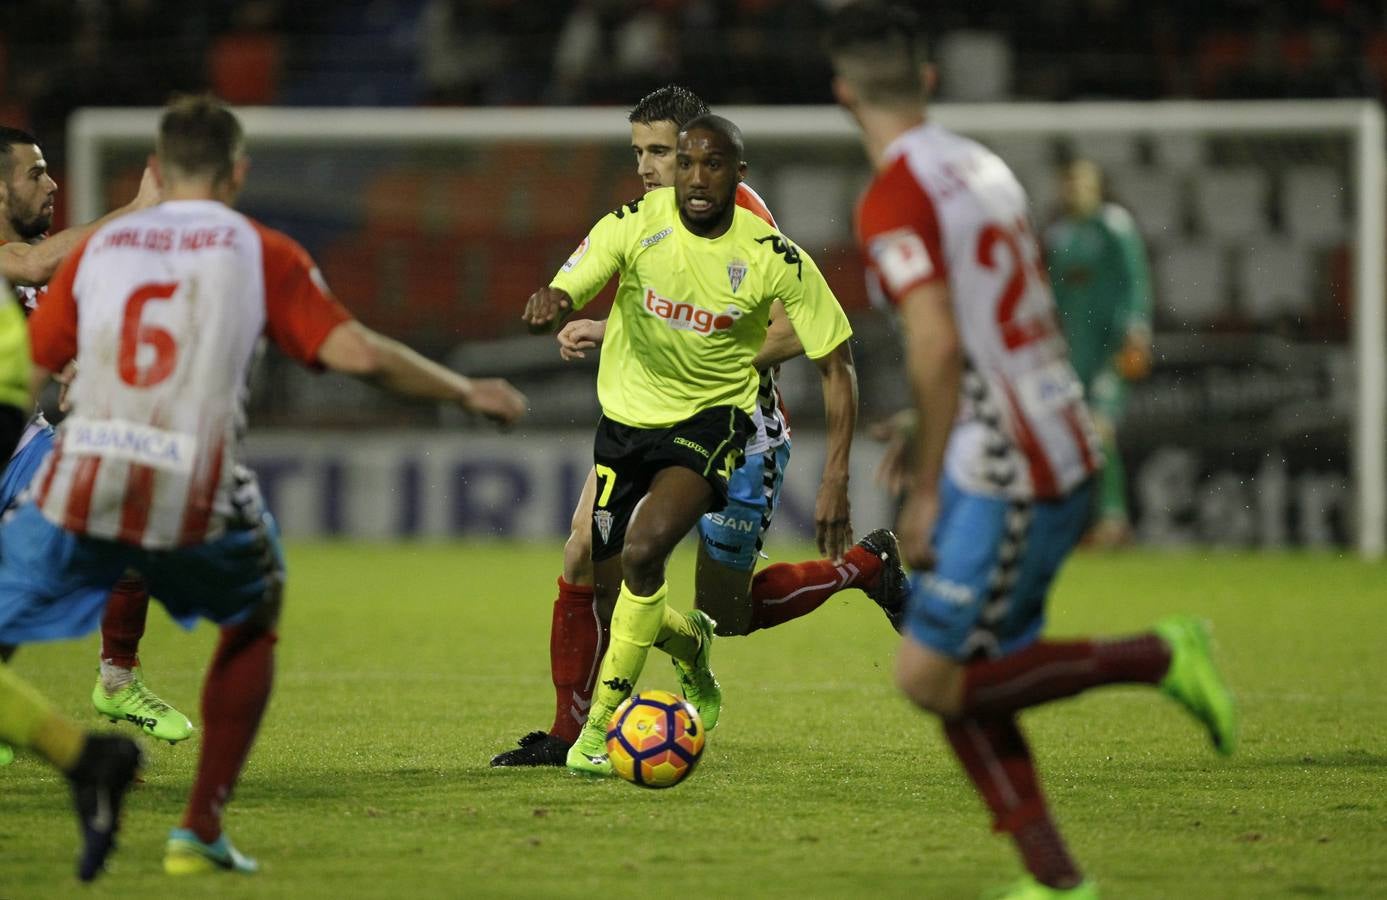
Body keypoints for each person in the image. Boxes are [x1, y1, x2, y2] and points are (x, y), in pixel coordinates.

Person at [0, 94, 527, 877]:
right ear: (237, 173)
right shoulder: (258, 250)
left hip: (80, 473)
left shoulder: (96, 257)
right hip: (192, 486)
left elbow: (31, 368)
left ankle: (79, 739)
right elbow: (356, 353)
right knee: (253, 615)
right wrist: (460, 390)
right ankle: (199, 828)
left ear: (154, 171)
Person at [827, 6, 1237, 899]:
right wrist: (932, 421)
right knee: (965, 678)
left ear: (842, 94)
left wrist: (926, 485)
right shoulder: (984, 167)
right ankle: (1053, 880)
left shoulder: (893, 195)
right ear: (929, 83)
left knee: (931, 675)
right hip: (1033, 429)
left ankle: (1162, 656)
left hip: (1013, 465)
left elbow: (934, 342)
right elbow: (994, 326)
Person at [492, 85, 907, 768]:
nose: (648, 166)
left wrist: (697, 348)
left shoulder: (748, 222)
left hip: (736, 430)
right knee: (588, 557)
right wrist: (616, 323)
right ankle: (572, 735)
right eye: (640, 153)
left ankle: (866, 566)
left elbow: (794, 332)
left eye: (660, 151)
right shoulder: (642, 218)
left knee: (729, 612)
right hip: (648, 419)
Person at [0, 126, 194, 757]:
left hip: (18, 443)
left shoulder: (33, 271)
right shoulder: (25, 260)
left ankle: (118, 679)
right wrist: (137, 211)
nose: (52, 184)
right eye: (35, 173)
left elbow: (49, 334)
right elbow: (31, 264)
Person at [1043, 158, 1153, 547]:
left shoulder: (1115, 227)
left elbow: (1136, 282)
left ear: (1098, 187)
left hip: (1110, 348)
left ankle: (1113, 518)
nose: (1076, 191)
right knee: (1070, 435)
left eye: (1084, 184)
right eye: (1071, 184)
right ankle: (1077, 519)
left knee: (1099, 427)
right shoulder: (1059, 235)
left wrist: (1136, 332)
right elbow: (1053, 297)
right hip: (1072, 352)